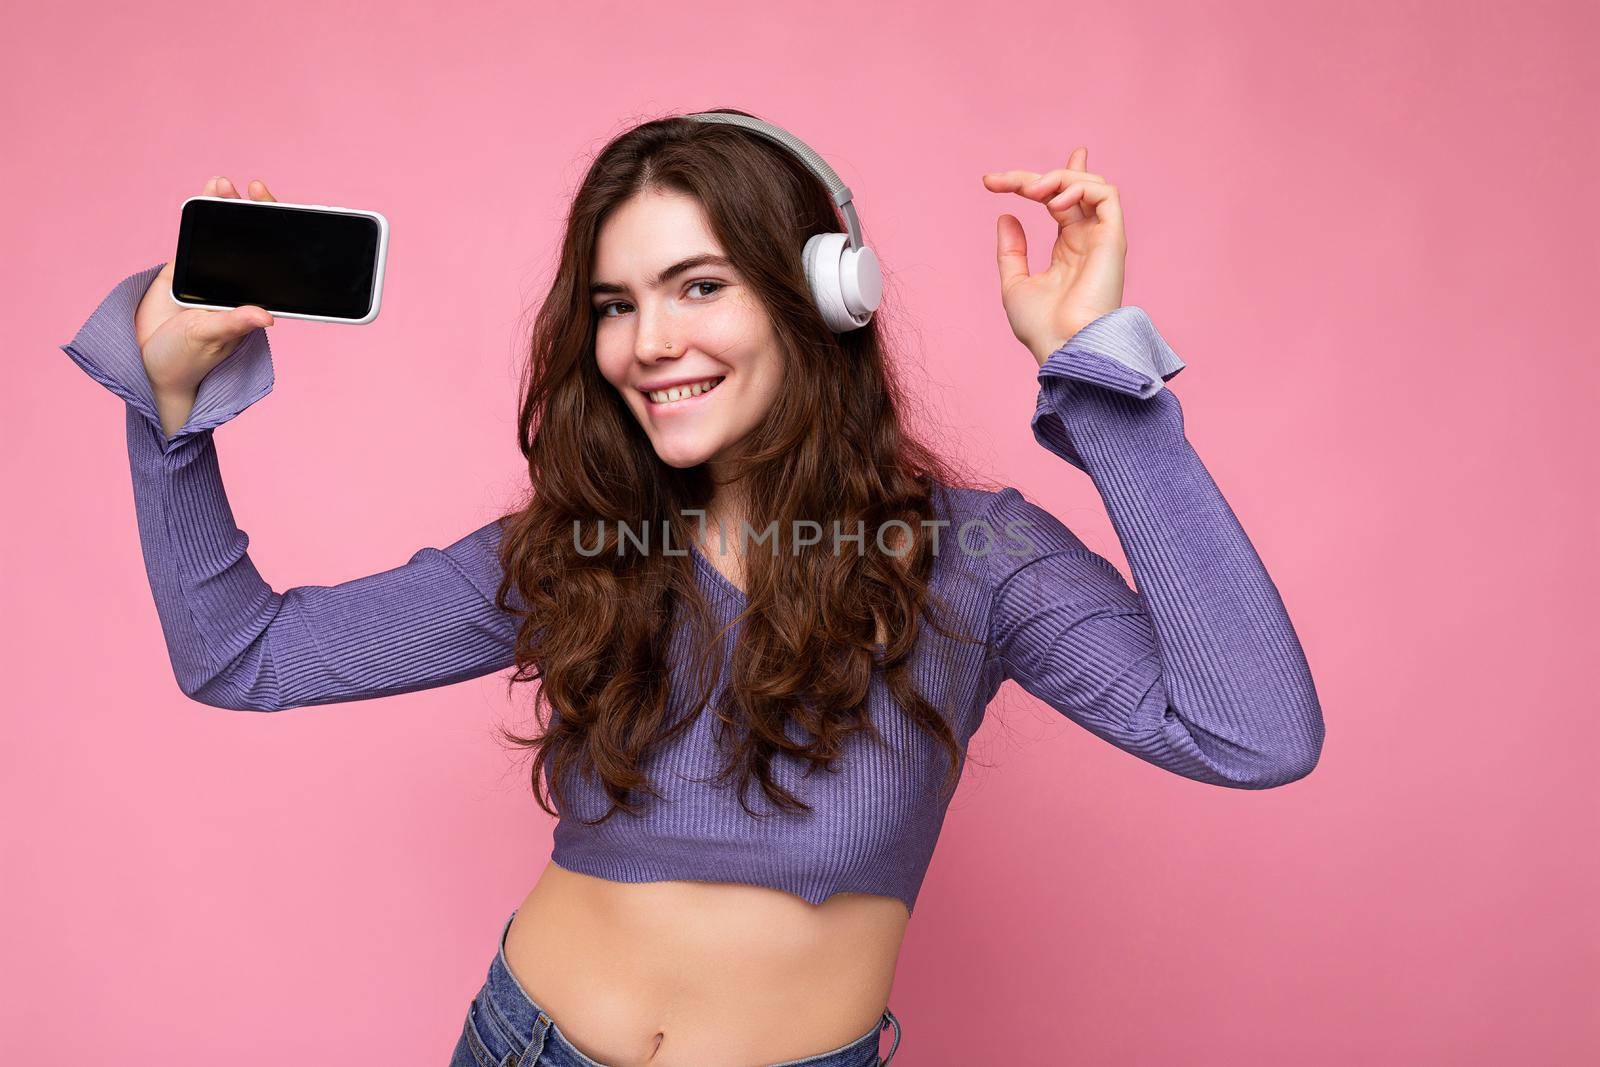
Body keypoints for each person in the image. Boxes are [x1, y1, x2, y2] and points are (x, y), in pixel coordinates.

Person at [58, 108, 1325, 1067]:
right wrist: (168, 414)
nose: (648, 341)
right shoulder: (572, 551)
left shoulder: (976, 555)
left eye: (698, 286)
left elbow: (1252, 732)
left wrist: (1102, 380)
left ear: (825, 294)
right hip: (527, 1043)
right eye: (616, 302)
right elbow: (242, 655)